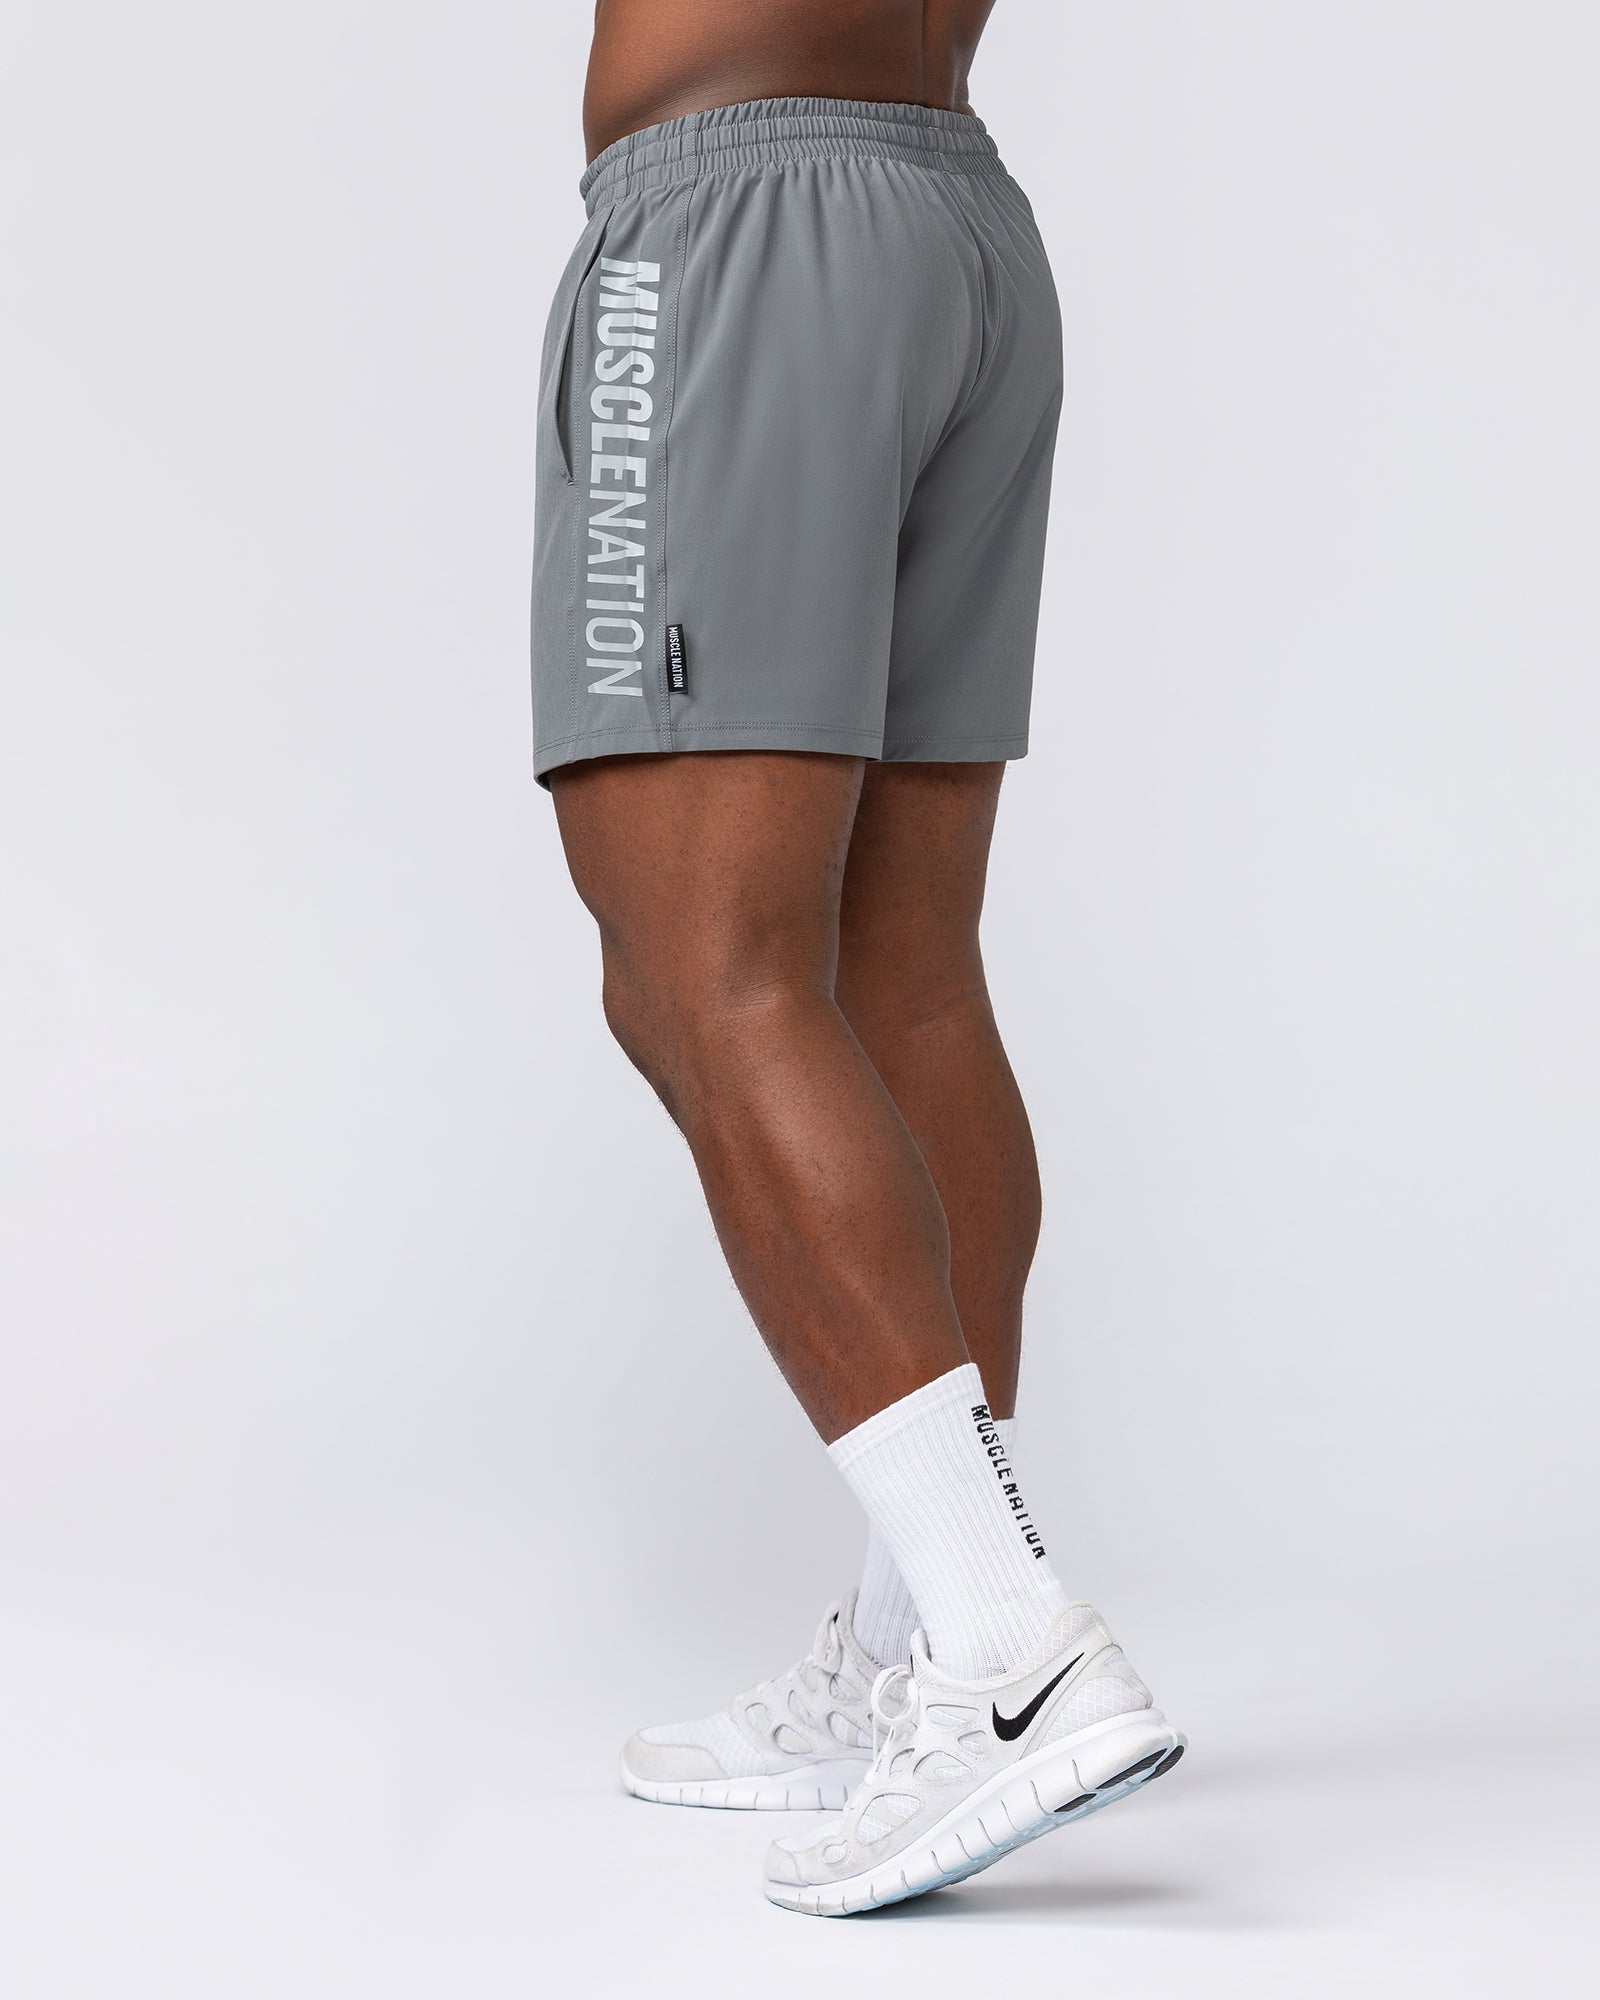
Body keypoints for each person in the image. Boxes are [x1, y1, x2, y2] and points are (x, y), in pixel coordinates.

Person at [531, 0, 1184, 1915]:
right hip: (949, 220)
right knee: (900, 977)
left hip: (738, 227)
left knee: (698, 969)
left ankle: (1006, 1648)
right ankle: (915, 1650)